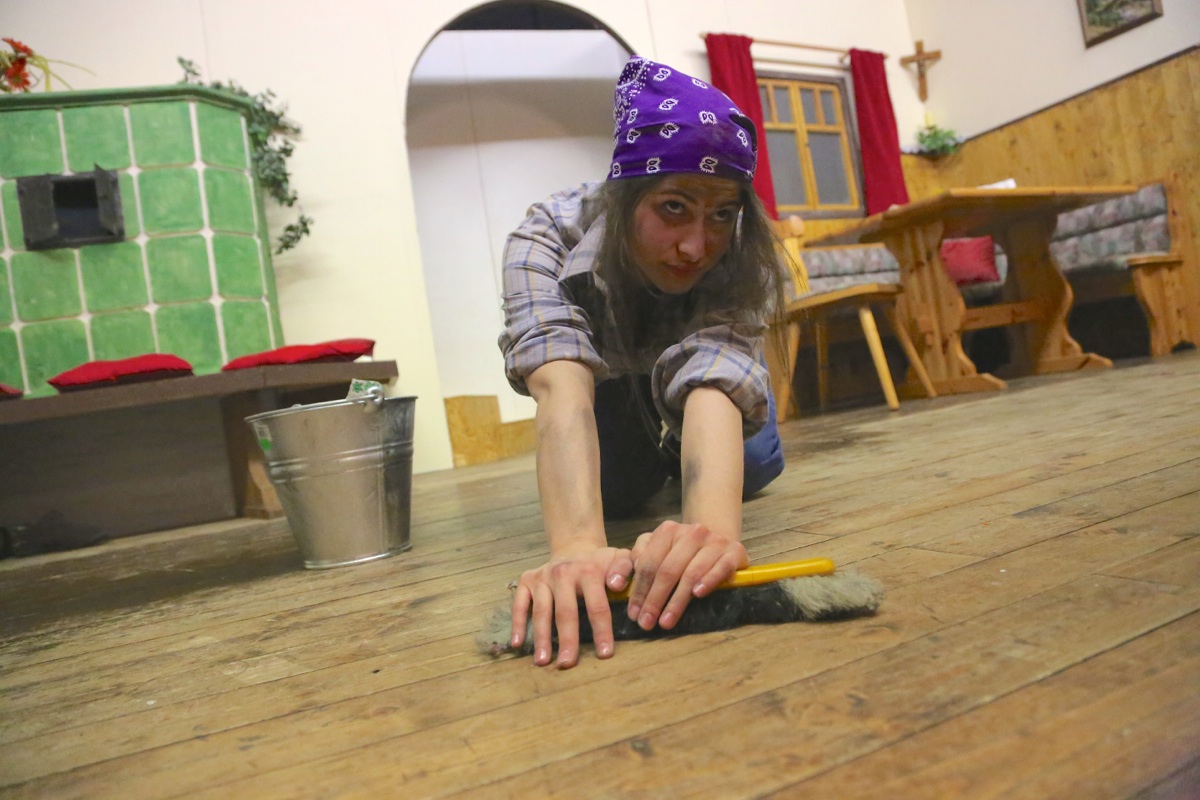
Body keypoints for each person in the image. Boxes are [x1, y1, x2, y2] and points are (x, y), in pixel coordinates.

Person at [497, 55, 787, 668]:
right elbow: (558, 381)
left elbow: (716, 375)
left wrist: (709, 538)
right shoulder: (543, 239)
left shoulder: (743, 255)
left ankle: (696, 450)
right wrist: (577, 547)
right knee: (619, 494)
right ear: (624, 197)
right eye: (673, 208)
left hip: (708, 389)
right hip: (609, 384)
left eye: (721, 214)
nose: (696, 247)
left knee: (756, 466)